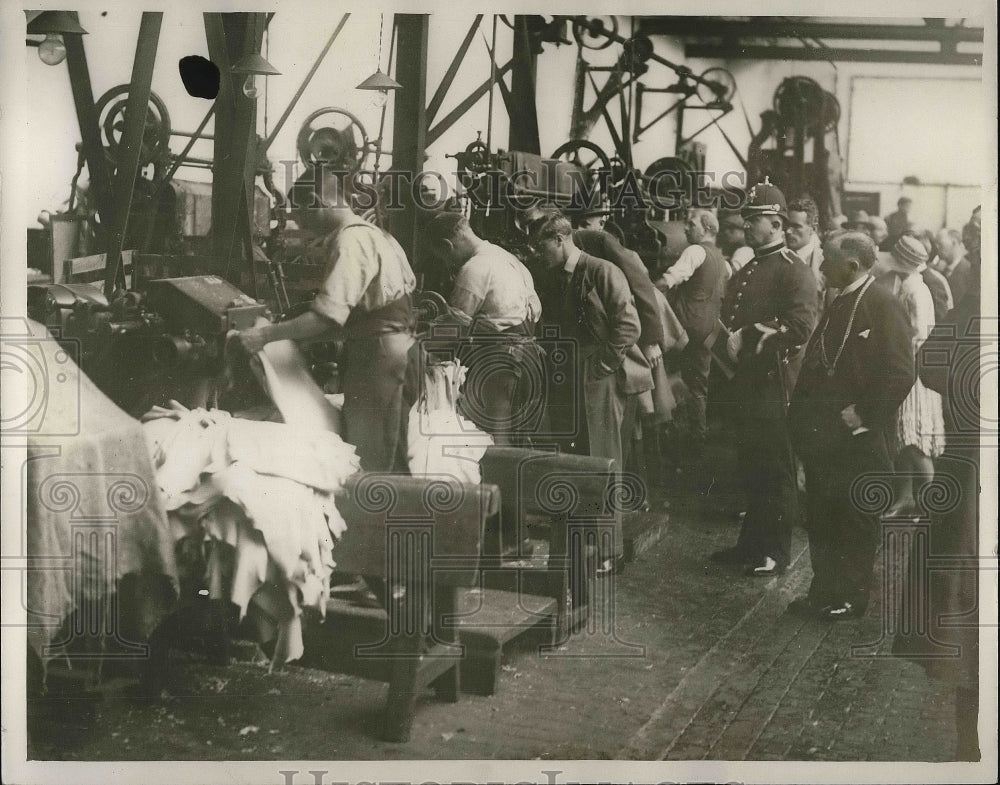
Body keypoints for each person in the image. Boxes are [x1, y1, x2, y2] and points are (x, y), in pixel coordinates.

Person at [237, 163, 416, 472]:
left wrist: (265, 335)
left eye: (302, 217)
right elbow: (360, 317)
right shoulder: (380, 236)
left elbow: (327, 318)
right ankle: (396, 519)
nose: (304, 227)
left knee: (371, 462)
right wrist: (290, 337)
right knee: (390, 453)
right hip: (397, 352)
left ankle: (377, 520)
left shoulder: (351, 242)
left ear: (318, 201)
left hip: (380, 358)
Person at [787, 231, 914, 620]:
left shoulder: (883, 304)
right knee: (824, 516)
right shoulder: (840, 298)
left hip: (857, 439)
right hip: (825, 437)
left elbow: (901, 372)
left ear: (852, 266)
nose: (822, 265)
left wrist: (863, 413)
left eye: (827, 259)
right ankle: (823, 591)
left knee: (854, 520)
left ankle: (849, 597)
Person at [528, 210, 652, 572]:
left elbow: (628, 327)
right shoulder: (555, 276)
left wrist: (601, 367)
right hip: (568, 375)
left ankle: (608, 552)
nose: (539, 254)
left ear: (560, 240)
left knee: (602, 459)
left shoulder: (602, 272)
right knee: (573, 457)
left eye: (542, 247)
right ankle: (580, 544)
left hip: (599, 379)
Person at [710, 178, 819, 577]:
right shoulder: (752, 266)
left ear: (777, 224)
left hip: (774, 387)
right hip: (746, 385)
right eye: (747, 218)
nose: (747, 225)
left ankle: (774, 551)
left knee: (775, 471)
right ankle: (751, 546)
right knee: (752, 466)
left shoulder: (795, 272)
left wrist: (748, 335)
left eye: (755, 219)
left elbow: (800, 326)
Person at [423, 211, 543, 445]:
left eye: (443, 257)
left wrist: (416, 342)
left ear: (447, 246)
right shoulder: (507, 258)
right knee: (518, 439)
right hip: (529, 360)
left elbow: (456, 326)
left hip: (500, 365)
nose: (448, 264)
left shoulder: (474, 268)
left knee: (493, 441)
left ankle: (497, 482)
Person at [875, 233, 946, 517]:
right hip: (905, 365)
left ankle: (930, 503)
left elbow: (917, 333)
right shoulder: (907, 283)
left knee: (916, 442)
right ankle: (906, 496)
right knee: (902, 438)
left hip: (913, 370)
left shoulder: (916, 290)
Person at [653, 209, 727, 456]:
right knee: (698, 387)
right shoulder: (720, 257)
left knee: (671, 382)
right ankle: (697, 440)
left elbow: (669, 280)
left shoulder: (695, 251)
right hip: (708, 332)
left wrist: (646, 295)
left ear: (706, 228)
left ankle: (679, 441)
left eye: (690, 223)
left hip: (686, 331)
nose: (685, 228)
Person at [785, 196, 826, 304]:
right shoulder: (778, 257)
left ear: (813, 229)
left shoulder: (824, 261)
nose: (788, 231)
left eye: (796, 226)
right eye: (787, 225)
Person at [934, 227, 974, 308]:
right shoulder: (941, 269)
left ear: (954, 243)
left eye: (940, 244)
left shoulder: (968, 270)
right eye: (936, 244)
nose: (936, 247)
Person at [717, 208, 755, 278]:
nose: (726, 232)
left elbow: (729, 272)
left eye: (731, 228)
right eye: (724, 228)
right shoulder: (732, 249)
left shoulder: (745, 251)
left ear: (743, 231)